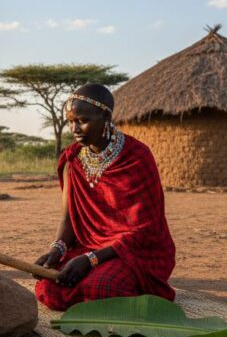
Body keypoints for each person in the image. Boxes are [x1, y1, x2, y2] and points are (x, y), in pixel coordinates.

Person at [34, 84, 176, 310]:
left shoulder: (137, 157)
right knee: (50, 287)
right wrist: (56, 250)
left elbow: (145, 230)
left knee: (102, 288)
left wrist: (91, 260)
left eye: (82, 120)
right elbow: (68, 217)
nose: (75, 128)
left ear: (106, 117)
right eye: (70, 121)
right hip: (89, 246)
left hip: (133, 251)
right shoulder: (72, 159)